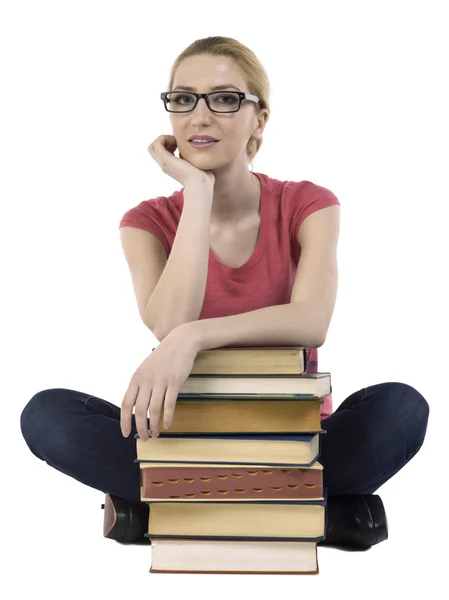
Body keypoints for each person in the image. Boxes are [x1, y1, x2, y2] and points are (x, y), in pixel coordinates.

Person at [20, 36, 429, 551]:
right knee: (47, 416)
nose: (200, 115)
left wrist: (195, 336)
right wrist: (197, 191)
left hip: (296, 439)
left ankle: (162, 510)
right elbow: (168, 322)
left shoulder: (309, 203)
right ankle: (316, 513)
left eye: (225, 98)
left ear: (259, 119)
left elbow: (310, 321)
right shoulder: (145, 221)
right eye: (183, 98)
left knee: (401, 408)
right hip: (179, 437)